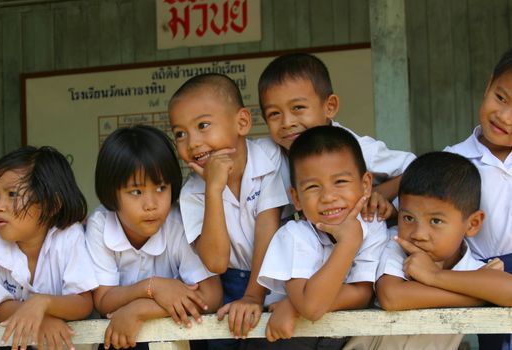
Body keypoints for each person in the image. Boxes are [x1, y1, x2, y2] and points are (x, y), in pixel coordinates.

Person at [344, 152, 512, 350]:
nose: (418, 234)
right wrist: (480, 296)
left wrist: (434, 275)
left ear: (473, 224)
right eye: (408, 218)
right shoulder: (397, 244)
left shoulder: (471, 266)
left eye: (436, 221)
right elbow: (392, 296)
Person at [168, 73, 289, 346]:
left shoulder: (268, 156)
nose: (193, 142)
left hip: (275, 277)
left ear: (242, 122)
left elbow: (268, 228)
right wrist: (213, 189)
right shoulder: (191, 193)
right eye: (180, 134)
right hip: (226, 284)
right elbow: (216, 262)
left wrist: (254, 296)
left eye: (203, 125)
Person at [85, 125, 222, 350]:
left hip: (179, 337)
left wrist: (139, 310)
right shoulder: (101, 223)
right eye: (136, 192)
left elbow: (212, 295)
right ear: (112, 194)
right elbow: (103, 301)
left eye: (161, 188)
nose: (151, 205)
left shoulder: (178, 222)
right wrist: (153, 287)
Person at [257, 125, 389, 349]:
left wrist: (293, 306)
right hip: (286, 341)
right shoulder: (293, 235)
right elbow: (312, 307)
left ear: (366, 185)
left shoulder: (373, 226)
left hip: (338, 338)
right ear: (296, 198)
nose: (328, 197)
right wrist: (348, 242)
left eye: (340, 182)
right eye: (312, 187)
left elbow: (362, 293)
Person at [256, 52, 416, 222]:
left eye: (298, 107)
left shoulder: (358, 149)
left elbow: (415, 169)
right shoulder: (267, 154)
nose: (287, 122)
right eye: (274, 113)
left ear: (330, 107)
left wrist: (372, 195)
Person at [0, 146, 98, 350]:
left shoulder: (69, 237)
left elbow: (83, 302)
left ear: (51, 204)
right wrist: (41, 321)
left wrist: (43, 303)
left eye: (12, 194)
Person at [444, 48, 512, 350]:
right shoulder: (453, 161)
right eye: (501, 98)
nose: (505, 117)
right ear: (488, 86)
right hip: (482, 277)